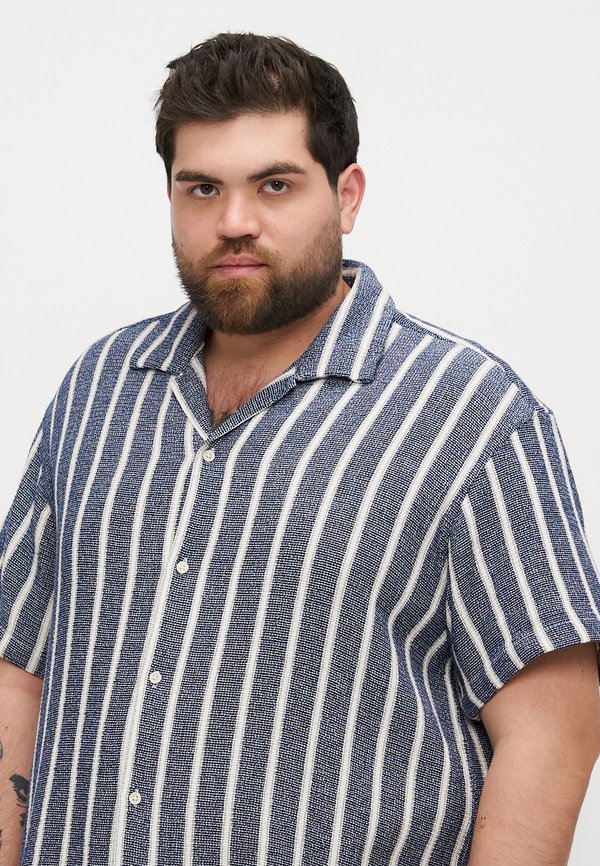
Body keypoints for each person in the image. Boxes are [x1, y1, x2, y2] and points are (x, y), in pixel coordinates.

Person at [0, 33, 599, 866]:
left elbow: (552, 723)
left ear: (346, 195)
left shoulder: (473, 414)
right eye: (202, 188)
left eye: (274, 185)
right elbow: (18, 670)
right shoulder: (97, 391)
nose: (234, 223)